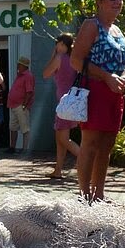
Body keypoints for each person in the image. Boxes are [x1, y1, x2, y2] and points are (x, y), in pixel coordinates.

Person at [70, 0, 125, 203]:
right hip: (95, 91)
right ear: (99, 0)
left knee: (107, 145)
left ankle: (99, 194)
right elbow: (76, 61)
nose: (118, 2)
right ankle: (84, 194)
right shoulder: (91, 25)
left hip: (115, 94)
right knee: (90, 143)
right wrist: (106, 76)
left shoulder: (117, 30)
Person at [42, 33, 80, 180]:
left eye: (57, 43)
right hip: (72, 101)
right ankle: (58, 170)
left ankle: (86, 158)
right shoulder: (73, 59)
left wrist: (54, 55)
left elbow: (45, 73)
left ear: (62, 44)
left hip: (63, 103)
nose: (56, 46)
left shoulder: (59, 58)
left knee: (63, 139)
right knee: (60, 138)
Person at [6, 56, 35, 154]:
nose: (17, 66)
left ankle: (25, 149)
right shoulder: (20, 75)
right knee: (12, 127)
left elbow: (29, 92)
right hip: (13, 105)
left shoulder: (28, 76)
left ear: (24, 66)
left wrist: (24, 105)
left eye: (19, 64)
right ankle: (12, 147)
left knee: (24, 128)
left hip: (21, 106)